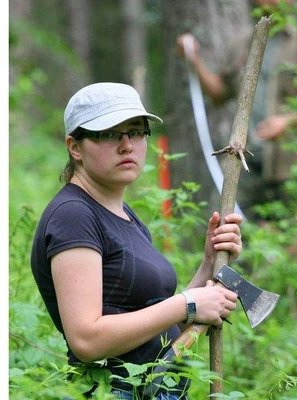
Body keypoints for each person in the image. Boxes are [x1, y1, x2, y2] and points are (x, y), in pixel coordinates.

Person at [30, 82, 243, 399]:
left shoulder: (122, 214)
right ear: (75, 147)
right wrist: (187, 303)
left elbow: (156, 330)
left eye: (136, 132)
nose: (127, 145)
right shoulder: (73, 215)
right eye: (109, 134)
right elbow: (87, 340)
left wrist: (208, 265)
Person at [176, 0, 297, 222]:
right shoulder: (242, 43)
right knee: (232, 227)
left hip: (289, 165)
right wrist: (193, 60)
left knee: (291, 236)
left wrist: (288, 121)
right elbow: (219, 93)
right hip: (244, 162)